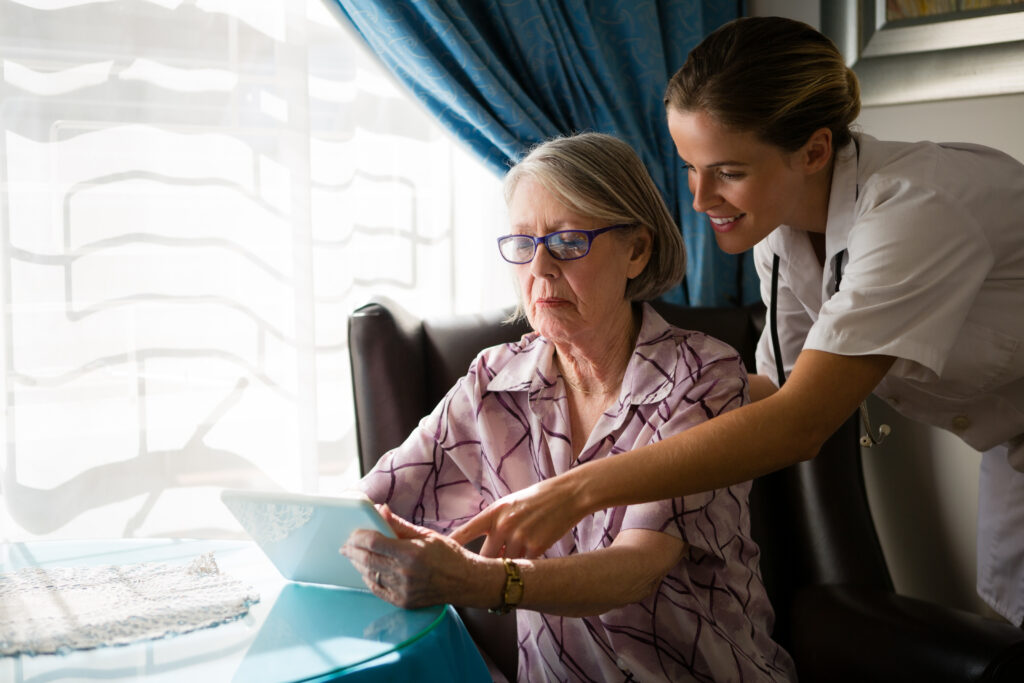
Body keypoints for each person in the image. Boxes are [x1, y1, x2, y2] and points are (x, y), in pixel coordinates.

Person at [451, 16, 1024, 629]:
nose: (700, 201)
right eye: (689, 169)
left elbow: (799, 422)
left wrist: (578, 488)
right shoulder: (777, 235)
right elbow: (768, 391)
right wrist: (641, 401)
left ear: (814, 150)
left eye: (728, 172)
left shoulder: (915, 212)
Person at [341, 132, 796, 681]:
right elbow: (365, 511)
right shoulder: (493, 381)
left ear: (637, 250)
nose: (541, 269)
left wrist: (480, 581)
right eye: (522, 244)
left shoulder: (702, 377)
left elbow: (632, 570)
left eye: (569, 241)